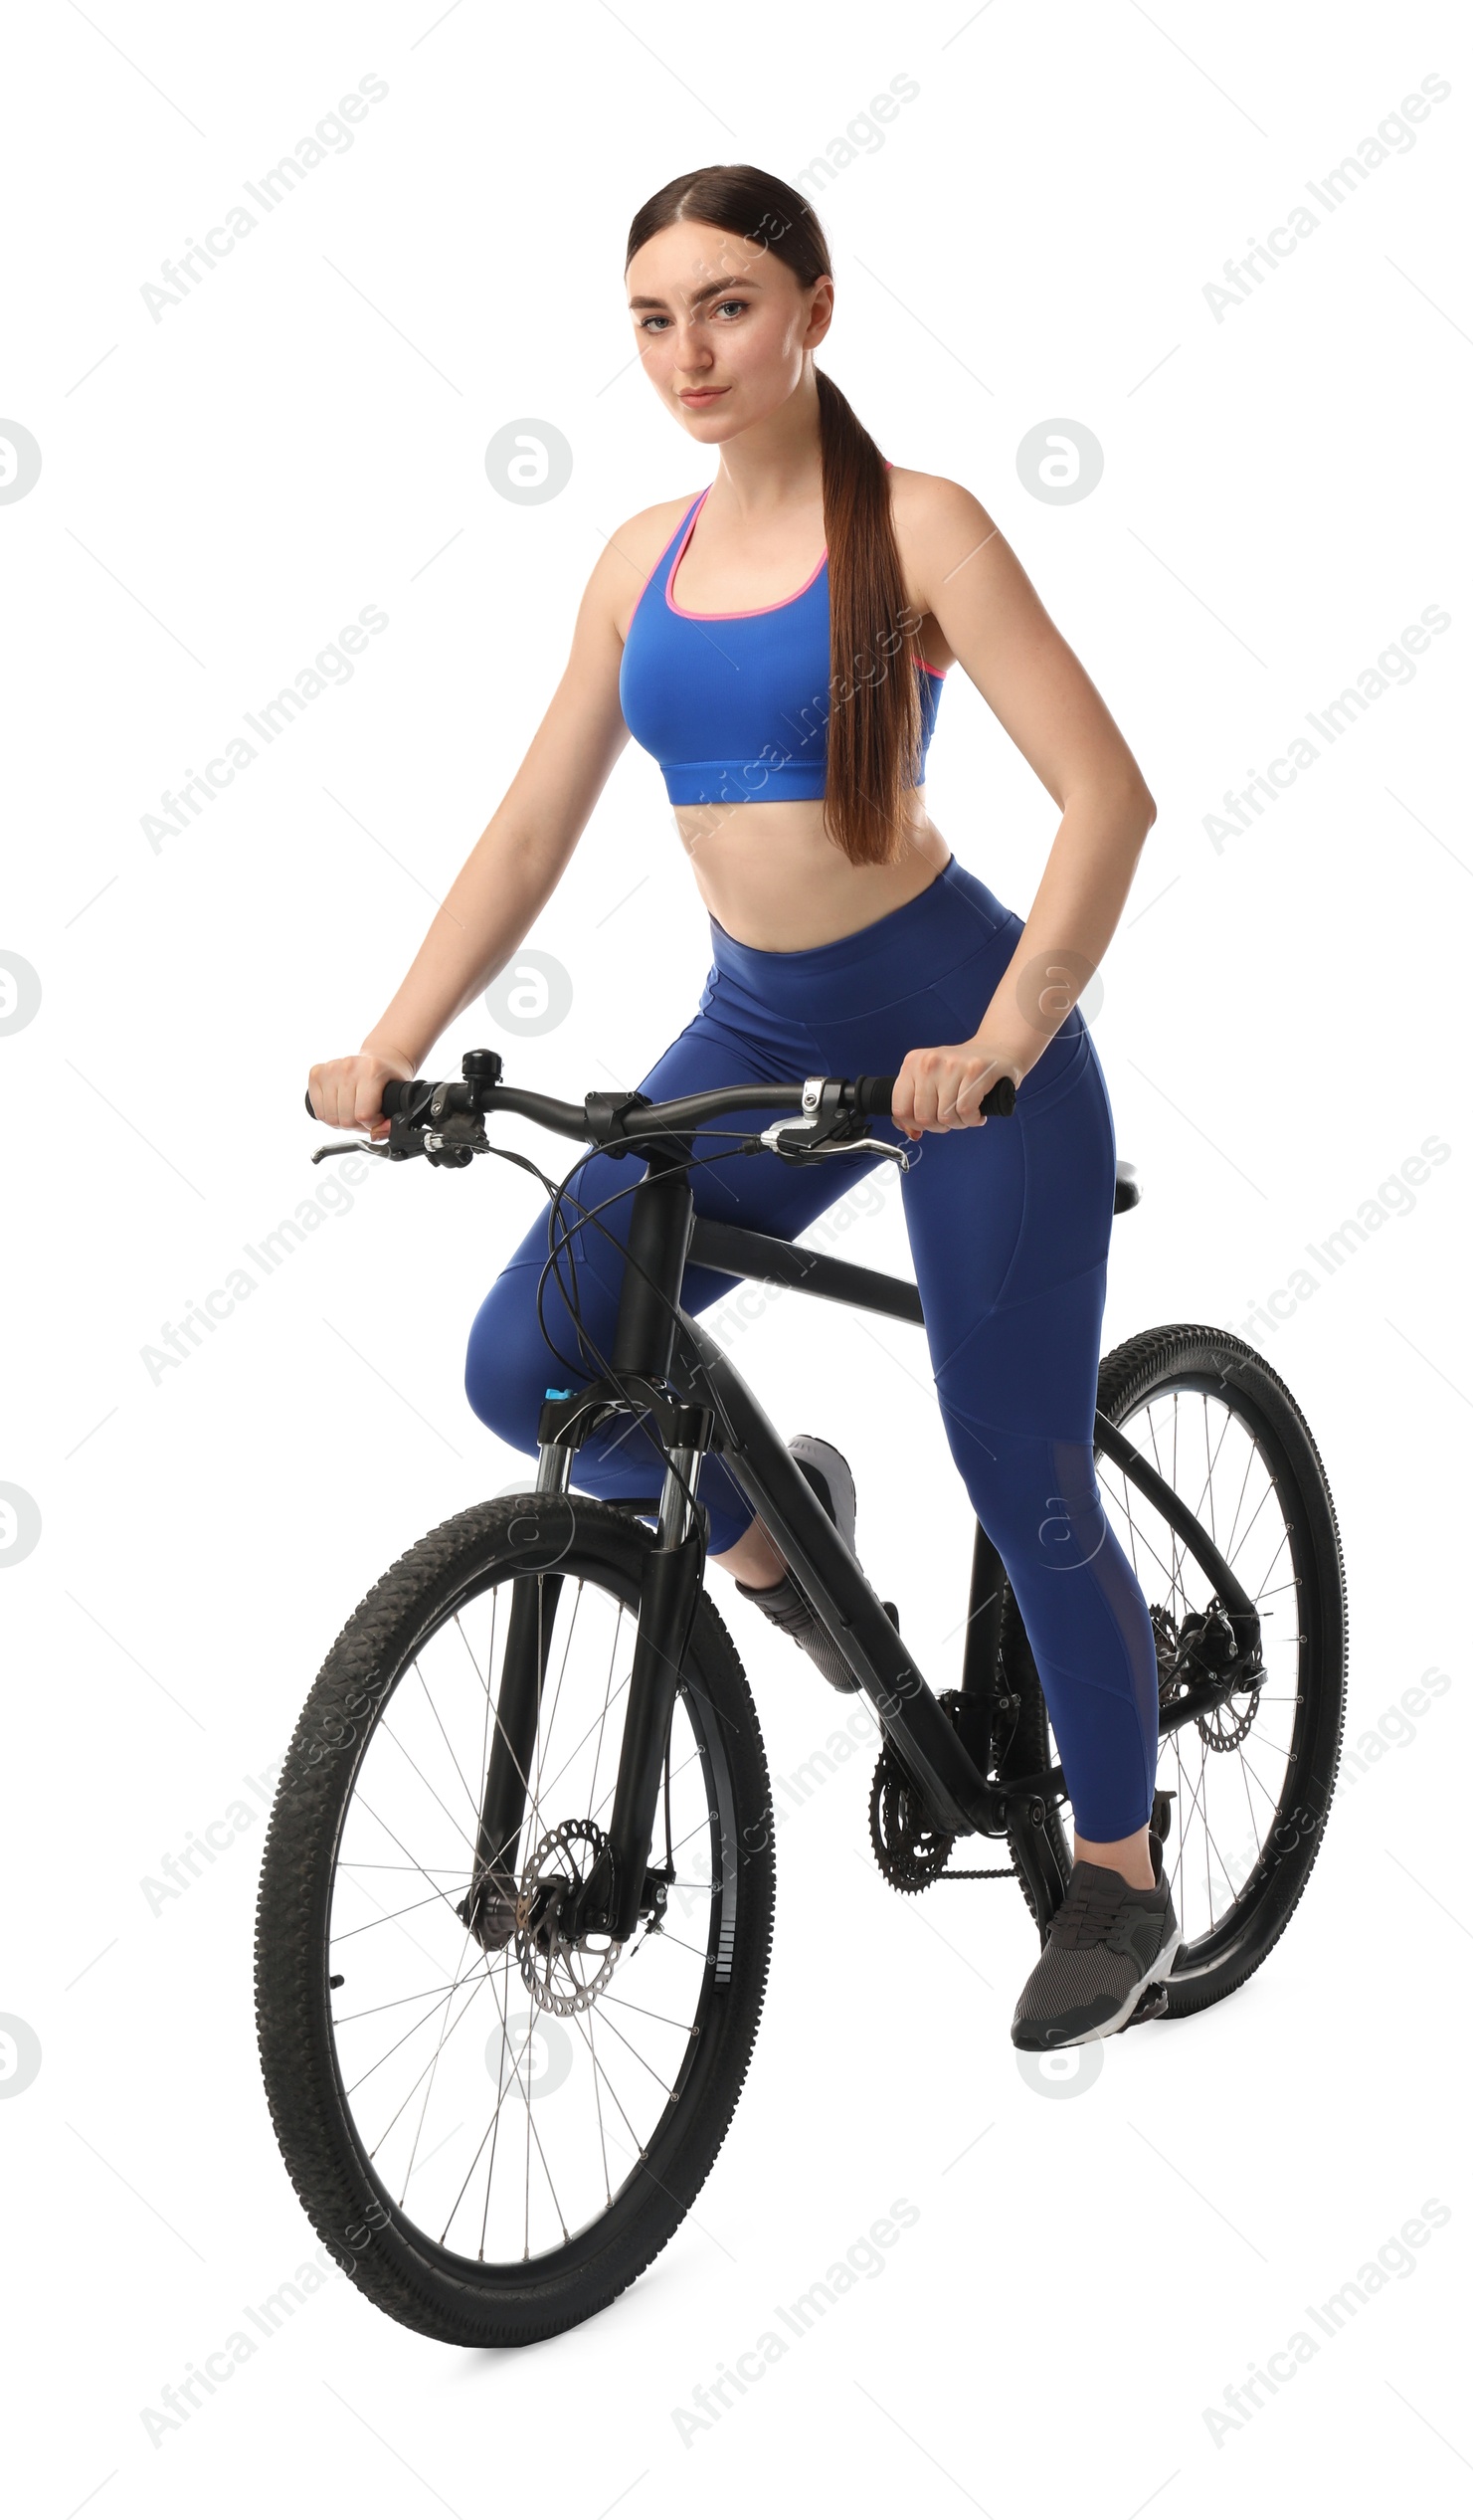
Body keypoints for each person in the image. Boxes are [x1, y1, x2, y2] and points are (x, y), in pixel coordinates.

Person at [306, 164, 1180, 2050]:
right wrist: (389, 1040)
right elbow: (533, 826)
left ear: (812, 314)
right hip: (758, 1037)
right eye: (651, 317)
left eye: (725, 305)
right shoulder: (637, 560)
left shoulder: (920, 532)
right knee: (530, 1369)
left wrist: (1009, 1039)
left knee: (1019, 1464)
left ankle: (1117, 1871)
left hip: (965, 1044)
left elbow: (1109, 800)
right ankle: (782, 1541)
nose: (687, 350)